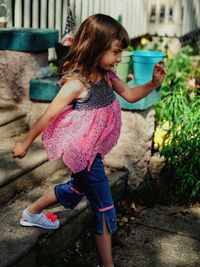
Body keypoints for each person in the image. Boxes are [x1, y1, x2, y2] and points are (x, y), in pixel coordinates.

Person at [12, 14, 166, 267]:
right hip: (81, 149)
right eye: (116, 52)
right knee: (104, 207)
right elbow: (48, 115)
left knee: (77, 187)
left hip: (92, 150)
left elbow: (129, 95)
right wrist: (25, 142)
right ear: (96, 47)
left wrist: (152, 83)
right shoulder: (76, 84)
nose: (119, 58)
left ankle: (31, 213)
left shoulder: (108, 75)